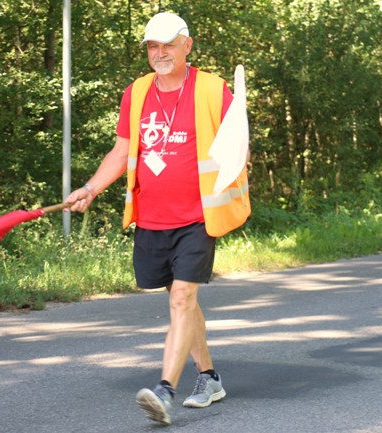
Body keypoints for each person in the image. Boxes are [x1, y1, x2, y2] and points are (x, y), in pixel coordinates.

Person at [64, 12, 250, 426]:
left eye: (168, 44)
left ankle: (165, 389)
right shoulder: (137, 92)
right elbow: (121, 151)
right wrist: (91, 188)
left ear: (187, 44)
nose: (160, 53)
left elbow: (239, 145)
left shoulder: (212, 89)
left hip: (199, 216)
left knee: (182, 298)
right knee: (180, 301)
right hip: (152, 216)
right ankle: (209, 378)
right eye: (152, 46)